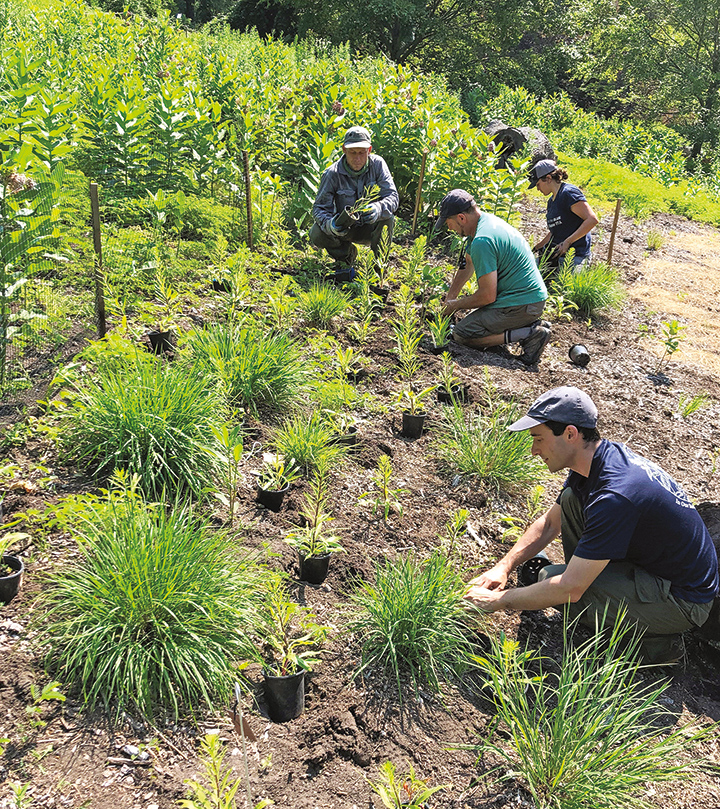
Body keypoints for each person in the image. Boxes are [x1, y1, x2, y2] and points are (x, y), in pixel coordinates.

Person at [463, 386, 719, 664]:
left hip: (682, 601)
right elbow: (550, 523)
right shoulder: (596, 462)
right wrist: (504, 566)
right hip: (654, 569)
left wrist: (498, 602)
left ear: (570, 434)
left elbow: (569, 589)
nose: (534, 450)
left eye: (538, 439)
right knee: (572, 500)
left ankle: (658, 645)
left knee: (554, 584)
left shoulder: (616, 495)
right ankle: (603, 592)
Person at [435, 189, 551, 366]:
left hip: (522, 304)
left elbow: (488, 296)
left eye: (449, 223)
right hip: (526, 300)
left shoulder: (483, 240)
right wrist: (449, 300)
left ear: (461, 218)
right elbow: (468, 264)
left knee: (462, 334)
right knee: (468, 325)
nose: (449, 228)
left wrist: (456, 305)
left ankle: (529, 334)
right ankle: (524, 326)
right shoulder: (485, 223)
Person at [310, 126, 399, 282]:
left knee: (388, 218)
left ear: (369, 150)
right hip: (344, 229)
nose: (357, 158)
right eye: (352, 152)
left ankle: (379, 269)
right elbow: (319, 208)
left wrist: (377, 209)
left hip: (370, 226)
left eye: (361, 153)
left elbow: (392, 196)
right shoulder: (332, 173)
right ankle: (345, 256)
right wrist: (331, 225)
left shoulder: (378, 165)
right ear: (344, 149)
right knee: (316, 233)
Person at [528, 159, 599, 269]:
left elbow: (592, 220)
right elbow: (554, 232)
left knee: (563, 285)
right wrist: (535, 249)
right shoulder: (551, 202)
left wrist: (568, 242)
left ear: (548, 178)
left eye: (538, 184)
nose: (538, 189)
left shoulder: (568, 193)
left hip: (575, 257)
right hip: (555, 255)